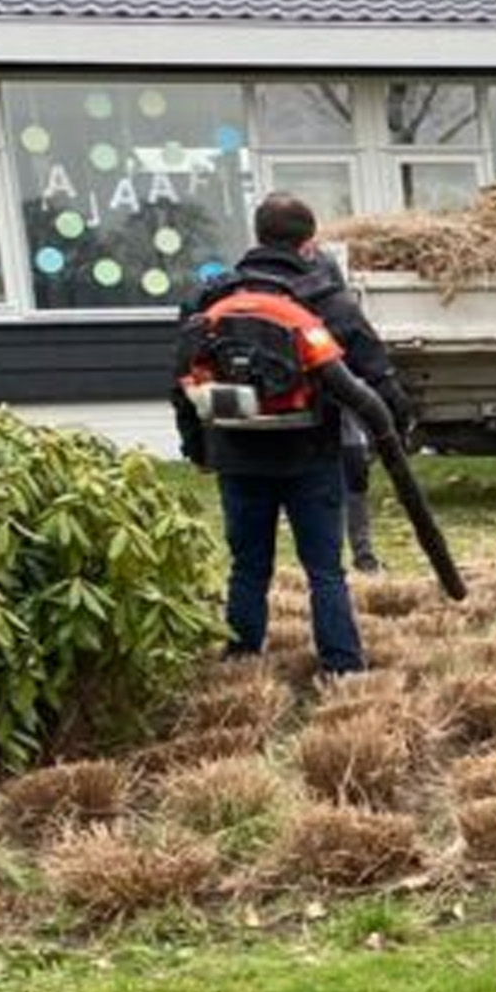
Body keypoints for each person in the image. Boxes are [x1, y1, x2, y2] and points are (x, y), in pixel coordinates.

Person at [174, 193, 405, 674]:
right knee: (325, 571)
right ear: (309, 243)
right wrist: (396, 430)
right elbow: (376, 374)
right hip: (310, 452)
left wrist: (197, 448)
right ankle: (342, 666)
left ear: (257, 236)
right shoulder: (326, 299)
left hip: (237, 451)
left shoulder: (210, 298)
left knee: (247, 565)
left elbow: (181, 380)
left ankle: (241, 657)